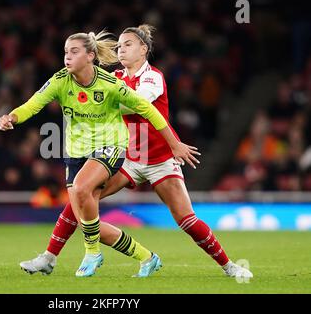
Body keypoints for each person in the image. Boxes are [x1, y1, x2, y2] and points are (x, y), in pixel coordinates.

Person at [19, 25, 253, 279]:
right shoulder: (115, 78)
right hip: (128, 157)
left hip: (160, 159)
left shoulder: (153, 78)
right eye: (118, 46)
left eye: (127, 44)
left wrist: (92, 103)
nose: (121, 50)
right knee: (81, 197)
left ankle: (229, 266)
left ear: (144, 49)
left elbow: (134, 106)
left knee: (186, 220)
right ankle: (50, 257)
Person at [0, 30, 200, 277]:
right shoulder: (60, 80)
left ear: (90, 56)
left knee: (83, 189)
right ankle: (145, 257)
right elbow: (34, 103)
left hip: (111, 146)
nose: (67, 57)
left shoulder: (110, 84)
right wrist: (12, 117)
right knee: (83, 212)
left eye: (74, 51)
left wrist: (175, 143)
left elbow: (149, 110)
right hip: (76, 151)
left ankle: (92, 253)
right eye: (65, 52)